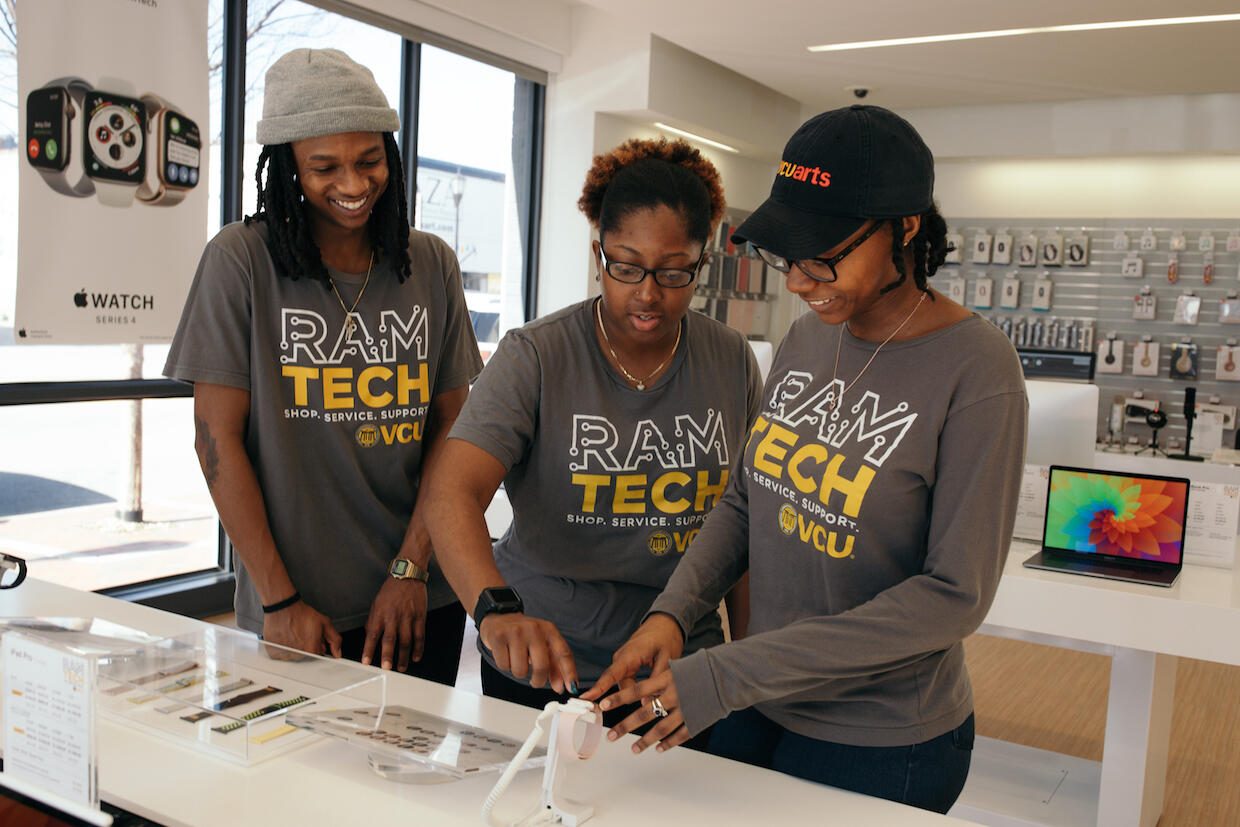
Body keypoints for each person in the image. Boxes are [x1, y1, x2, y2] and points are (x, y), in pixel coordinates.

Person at [584, 105, 1028, 814]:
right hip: (759, 703)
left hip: (882, 739)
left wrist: (728, 673)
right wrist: (672, 614)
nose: (797, 282)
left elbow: (953, 596)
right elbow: (744, 500)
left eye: (825, 256)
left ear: (905, 228)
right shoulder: (810, 336)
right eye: (789, 256)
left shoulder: (978, 369)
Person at [164, 49, 482, 684]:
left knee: (408, 778)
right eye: (324, 167)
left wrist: (411, 567)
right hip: (299, 606)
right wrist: (279, 599)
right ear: (287, 166)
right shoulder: (242, 262)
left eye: (369, 160)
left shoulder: (431, 263)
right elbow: (215, 437)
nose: (354, 184)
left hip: (418, 597)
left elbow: (453, 430)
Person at [422, 138, 762, 728]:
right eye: (625, 266)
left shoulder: (728, 358)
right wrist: (494, 609)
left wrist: (748, 668)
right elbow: (452, 492)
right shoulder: (537, 355)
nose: (648, 292)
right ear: (598, 252)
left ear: (703, 261)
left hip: (677, 670)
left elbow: (746, 522)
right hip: (548, 663)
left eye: (674, 271)